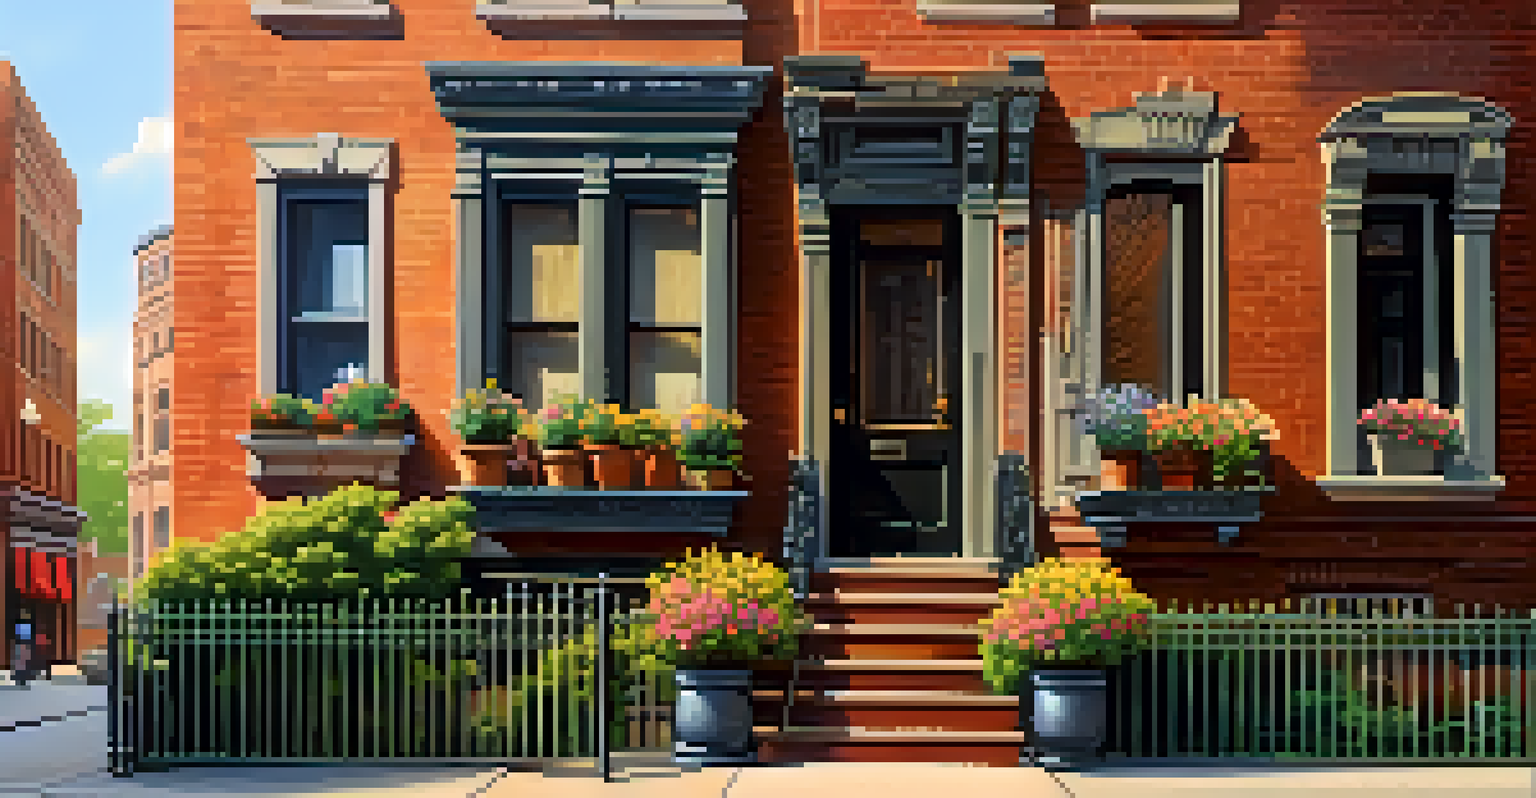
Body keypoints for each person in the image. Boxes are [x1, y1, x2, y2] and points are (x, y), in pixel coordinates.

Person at [12, 616, 33, 687]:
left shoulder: (25, 625)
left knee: (22, 662)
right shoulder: (22, 624)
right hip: (22, 643)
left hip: (23, 643)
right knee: (21, 662)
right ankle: (20, 678)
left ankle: (22, 679)